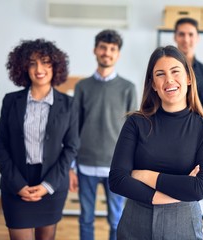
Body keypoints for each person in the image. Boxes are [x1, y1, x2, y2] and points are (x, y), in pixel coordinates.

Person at [109, 45, 203, 239]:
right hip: (136, 223)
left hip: (183, 224)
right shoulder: (136, 123)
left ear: (188, 78)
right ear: (153, 84)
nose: (169, 79)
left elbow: (201, 187)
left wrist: (142, 175)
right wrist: (175, 191)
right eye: (160, 74)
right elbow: (117, 180)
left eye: (175, 71)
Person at [0, 39, 79, 240]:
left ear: (55, 66)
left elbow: (71, 148)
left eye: (45, 62)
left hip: (51, 183)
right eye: (32, 63)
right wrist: (17, 185)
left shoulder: (69, 104)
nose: (39, 69)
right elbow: (0, 145)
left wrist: (47, 186)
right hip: (16, 183)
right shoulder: (10, 100)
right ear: (23, 67)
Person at [69, 29, 137, 240]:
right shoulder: (82, 86)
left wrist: (132, 166)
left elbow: (134, 130)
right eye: (103, 48)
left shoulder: (128, 88)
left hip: (116, 166)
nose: (107, 52)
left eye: (112, 49)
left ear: (117, 54)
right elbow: (73, 126)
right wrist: (72, 166)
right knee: (86, 218)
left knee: (116, 219)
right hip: (85, 164)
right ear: (95, 50)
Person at [174, 17, 203, 118]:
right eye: (181, 34)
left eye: (191, 34)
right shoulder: (165, 70)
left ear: (197, 38)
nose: (186, 39)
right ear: (175, 37)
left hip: (198, 128)